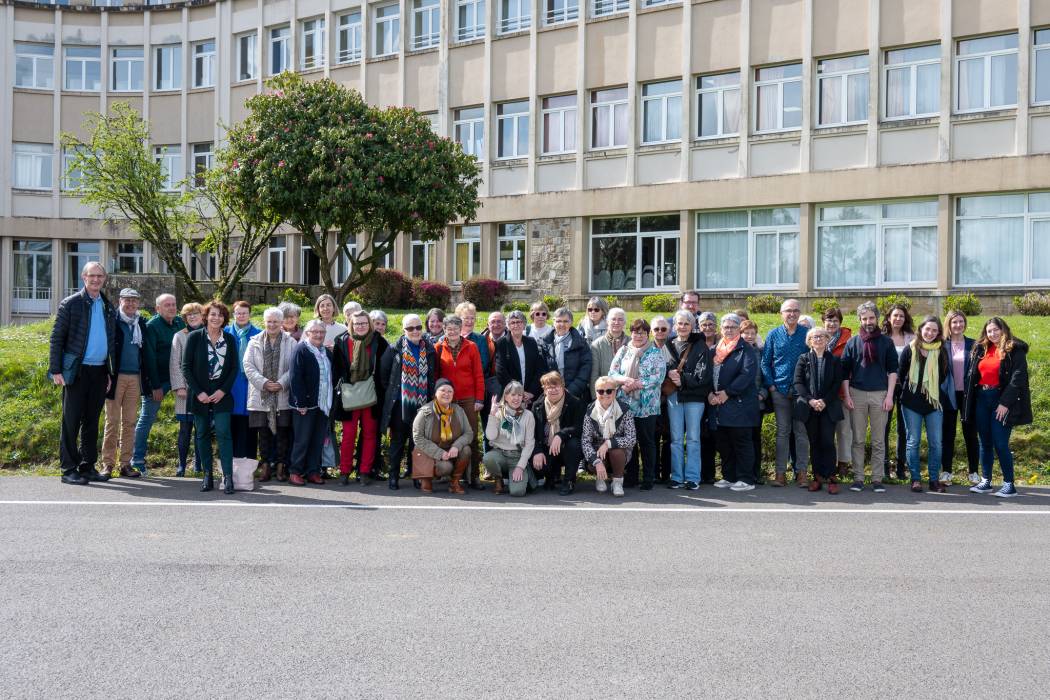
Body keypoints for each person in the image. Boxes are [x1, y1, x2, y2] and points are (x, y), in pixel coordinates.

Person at [49, 261, 116, 486]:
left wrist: (108, 372)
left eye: (100, 276)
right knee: (71, 421)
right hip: (76, 371)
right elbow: (57, 338)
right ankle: (69, 469)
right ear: (83, 277)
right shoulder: (71, 304)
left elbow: (110, 342)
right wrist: (56, 369)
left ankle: (87, 466)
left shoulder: (107, 305)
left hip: (99, 372)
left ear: (104, 279)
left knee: (91, 421)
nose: (96, 279)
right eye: (92, 276)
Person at [965, 317, 1031, 498]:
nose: (992, 334)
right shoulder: (981, 349)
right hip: (982, 399)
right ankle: (986, 481)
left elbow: (1018, 378)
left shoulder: (1014, 350)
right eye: (989, 331)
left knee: (1000, 443)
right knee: (984, 442)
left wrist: (1004, 403)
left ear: (1003, 330)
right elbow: (973, 376)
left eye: (995, 330)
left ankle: (1009, 484)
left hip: (1001, 400)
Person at [181, 301, 239, 494]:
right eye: (213, 314)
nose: (216, 318)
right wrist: (199, 392)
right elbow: (186, 367)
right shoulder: (195, 337)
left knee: (224, 433)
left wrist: (223, 390)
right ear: (206, 316)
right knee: (202, 433)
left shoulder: (230, 339)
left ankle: (228, 477)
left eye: (221, 315)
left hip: (222, 393)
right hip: (200, 393)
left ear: (225, 319)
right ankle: (207, 475)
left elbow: (233, 368)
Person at [842, 301, 899, 493]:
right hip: (857, 394)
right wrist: (847, 395)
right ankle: (858, 478)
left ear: (877, 318)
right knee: (857, 439)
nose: (868, 321)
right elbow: (845, 373)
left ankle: (876, 479)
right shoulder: (852, 342)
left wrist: (889, 396)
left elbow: (893, 371)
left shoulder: (886, 342)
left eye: (872, 318)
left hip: (880, 394)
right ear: (860, 319)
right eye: (865, 318)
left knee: (878, 440)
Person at [380, 314, 438, 490]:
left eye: (418, 327)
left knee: (417, 442)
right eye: (410, 328)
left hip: (422, 404)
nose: (415, 331)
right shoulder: (393, 349)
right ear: (403, 330)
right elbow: (384, 377)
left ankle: (415, 475)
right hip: (400, 405)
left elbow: (431, 377)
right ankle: (393, 477)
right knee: (398, 442)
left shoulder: (429, 350)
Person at [609, 318, 666, 489]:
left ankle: (648, 478)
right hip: (626, 406)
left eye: (642, 332)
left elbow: (659, 376)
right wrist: (625, 379)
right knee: (628, 442)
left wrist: (637, 383)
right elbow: (612, 372)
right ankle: (631, 476)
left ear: (647, 334)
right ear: (631, 333)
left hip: (647, 407)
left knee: (647, 442)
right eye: (635, 332)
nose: (638, 335)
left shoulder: (656, 353)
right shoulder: (623, 351)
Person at [332, 310, 387, 486]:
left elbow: (385, 368)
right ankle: (345, 471)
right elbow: (336, 370)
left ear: (369, 324)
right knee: (348, 435)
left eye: (364, 323)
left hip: (372, 395)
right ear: (351, 324)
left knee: (370, 434)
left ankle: (364, 471)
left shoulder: (379, 341)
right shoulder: (341, 341)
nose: (361, 326)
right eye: (357, 324)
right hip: (349, 395)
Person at [131, 293, 184, 474]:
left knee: (188, 419)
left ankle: (189, 464)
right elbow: (149, 358)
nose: (171, 307)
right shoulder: (152, 326)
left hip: (178, 378)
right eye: (167, 305)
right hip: (158, 381)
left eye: (174, 304)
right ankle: (137, 460)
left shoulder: (179, 323)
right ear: (158, 308)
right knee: (147, 418)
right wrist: (155, 386)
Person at [708, 314, 761, 491]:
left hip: (739, 403)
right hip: (718, 404)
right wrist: (710, 393)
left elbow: (747, 375)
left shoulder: (746, 349)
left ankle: (746, 479)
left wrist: (727, 393)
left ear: (739, 329)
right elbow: (707, 374)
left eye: (732, 327)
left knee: (741, 442)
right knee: (724, 443)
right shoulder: (714, 349)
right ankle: (729, 476)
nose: (728, 330)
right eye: (725, 327)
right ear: (721, 329)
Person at [243, 307, 296, 483]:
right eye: (269, 321)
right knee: (263, 435)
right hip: (260, 396)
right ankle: (265, 467)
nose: (272, 324)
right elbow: (248, 366)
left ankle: (281, 468)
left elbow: (294, 367)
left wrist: (281, 383)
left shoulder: (291, 342)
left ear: (282, 323)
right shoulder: (254, 341)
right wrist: (264, 383)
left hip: (282, 395)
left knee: (282, 434)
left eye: (276, 321)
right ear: (264, 322)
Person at [898, 315, 950, 493]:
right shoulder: (909, 349)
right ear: (920, 330)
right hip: (911, 402)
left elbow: (943, 375)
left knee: (936, 442)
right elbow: (901, 374)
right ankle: (915, 479)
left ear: (938, 333)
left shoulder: (941, 351)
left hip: (933, 402)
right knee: (913, 441)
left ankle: (934, 480)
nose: (930, 333)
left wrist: (929, 387)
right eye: (927, 329)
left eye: (935, 330)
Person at [762, 298, 810, 487]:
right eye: (788, 311)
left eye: (795, 311)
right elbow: (765, 362)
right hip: (779, 391)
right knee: (782, 433)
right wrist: (771, 386)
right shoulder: (773, 335)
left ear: (799, 313)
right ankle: (780, 473)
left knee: (801, 432)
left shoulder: (807, 334)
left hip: (801, 392)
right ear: (781, 313)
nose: (792, 314)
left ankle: (802, 473)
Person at [100, 288, 147, 479]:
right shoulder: (112, 321)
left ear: (138, 304)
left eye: (134, 301)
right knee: (112, 422)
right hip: (115, 376)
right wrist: (105, 374)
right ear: (120, 301)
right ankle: (107, 464)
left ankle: (125, 464)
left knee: (129, 423)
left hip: (134, 377)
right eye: (126, 300)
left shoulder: (141, 323)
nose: (130, 304)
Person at [434, 315, 486, 489]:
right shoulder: (438, 348)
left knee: (471, 436)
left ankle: (474, 476)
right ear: (444, 330)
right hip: (447, 400)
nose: (453, 331)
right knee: (447, 436)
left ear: (461, 329)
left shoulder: (471, 347)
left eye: (456, 328)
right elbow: (436, 375)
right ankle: (449, 474)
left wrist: (479, 398)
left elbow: (479, 375)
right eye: (449, 329)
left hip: (468, 398)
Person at [792, 327, 845, 494]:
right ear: (809, 341)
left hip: (828, 407)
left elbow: (837, 384)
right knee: (814, 443)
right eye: (815, 337)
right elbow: (798, 383)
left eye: (822, 336)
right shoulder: (803, 359)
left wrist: (824, 401)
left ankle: (831, 477)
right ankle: (817, 477)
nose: (819, 339)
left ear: (827, 339)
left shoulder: (835, 360)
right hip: (810, 407)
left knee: (828, 442)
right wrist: (811, 400)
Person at [664, 310, 712, 490]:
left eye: (686, 323)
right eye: (679, 323)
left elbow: (703, 375)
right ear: (674, 326)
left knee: (693, 438)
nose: (682, 327)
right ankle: (676, 477)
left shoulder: (700, 346)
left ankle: (693, 477)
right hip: (674, 396)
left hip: (694, 397)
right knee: (675, 439)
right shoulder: (668, 344)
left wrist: (681, 379)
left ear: (692, 326)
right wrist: (669, 374)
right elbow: (663, 367)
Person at [288, 319, 335, 486]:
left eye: (321, 332)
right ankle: (295, 471)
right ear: (307, 333)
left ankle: (313, 471)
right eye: (314, 331)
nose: (318, 335)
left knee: (317, 440)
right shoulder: (301, 350)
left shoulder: (326, 352)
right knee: (302, 439)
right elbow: (295, 378)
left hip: (322, 404)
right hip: (304, 405)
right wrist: (300, 403)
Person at [411, 378, 474, 494]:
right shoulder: (425, 412)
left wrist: (456, 446)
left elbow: (469, 433)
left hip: (451, 450)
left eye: (450, 391)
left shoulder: (459, 410)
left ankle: (454, 483)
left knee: (466, 449)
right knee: (445, 467)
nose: (447, 394)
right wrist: (439, 453)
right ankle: (426, 478)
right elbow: (417, 437)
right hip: (430, 453)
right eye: (443, 390)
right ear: (435, 393)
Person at [531, 371, 586, 496]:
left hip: (566, 447)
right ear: (544, 389)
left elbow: (579, 428)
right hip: (546, 446)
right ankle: (550, 477)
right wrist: (537, 451)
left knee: (574, 444)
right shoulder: (537, 406)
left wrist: (561, 435)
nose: (553, 390)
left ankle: (569, 481)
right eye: (549, 387)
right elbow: (532, 433)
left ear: (563, 386)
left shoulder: (575, 403)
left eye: (556, 386)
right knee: (537, 461)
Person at [581, 376, 637, 497]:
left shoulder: (625, 410)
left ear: (615, 392)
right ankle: (600, 478)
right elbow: (585, 441)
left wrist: (608, 444)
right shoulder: (590, 412)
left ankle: (617, 482)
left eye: (609, 391)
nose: (605, 394)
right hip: (597, 453)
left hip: (619, 453)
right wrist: (596, 461)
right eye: (601, 391)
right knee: (597, 453)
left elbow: (631, 439)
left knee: (615, 451)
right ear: (596, 393)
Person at [942, 310, 980, 485]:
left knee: (970, 435)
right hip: (948, 395)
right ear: (949, 325)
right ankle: (947, 472)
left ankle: (973, 472)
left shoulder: (974, 345)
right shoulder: (942, 345)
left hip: (968, 396)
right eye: (954, 322)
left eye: (961, 322)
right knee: (947, 434)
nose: (958, 325)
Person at [483, 382, 537, 496]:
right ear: (506, 396)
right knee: (488, 458)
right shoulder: (498, 412)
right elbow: (490, 436)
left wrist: (520, 467)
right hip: (500, 454)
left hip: (517, 457)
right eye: (513, 395)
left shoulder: (528, 415)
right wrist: (492, 415)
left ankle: (517, 476)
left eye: (519, 395)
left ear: (523, 397)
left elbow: (529, 443)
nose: (516, 398)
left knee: (517, 492)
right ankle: (499, 479)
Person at [170, 303, 204, 477]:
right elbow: (175, 364)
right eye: (188, 314)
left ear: (202, 315)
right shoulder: (179, 336)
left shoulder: (209, 333)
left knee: (201, 429)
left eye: (195, 313)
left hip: (205, 391)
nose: (192, 317)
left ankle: (199, 464)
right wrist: (179, 386)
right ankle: (181, 465)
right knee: (185, 429)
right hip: (185, 390)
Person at [882, 303, 915, 480]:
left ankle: (901, 466)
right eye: (895, 315)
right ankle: (885, 466)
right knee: (884, 427)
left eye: (901, 316)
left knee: (904, 428)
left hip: (906, 387)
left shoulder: (912, 337)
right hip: (885, 387)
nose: (898, 319)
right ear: (889, 318)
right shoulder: (881, 337)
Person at [226, 300, 261, 464]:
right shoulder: (225, 332)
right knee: (232, 421)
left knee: (250, 423)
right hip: (231, 384)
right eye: (238, 313)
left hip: (251, 384)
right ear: (233, 315)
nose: (241, 316)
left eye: (244, 313)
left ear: (250, 314)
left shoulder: (259, 333)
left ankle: (250, 462)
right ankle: (232, 461)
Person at [823, 307, 853, 479]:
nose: (832, 324)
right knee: (826, 432)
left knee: (843, 429)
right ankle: (826, 463)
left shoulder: (848, 340)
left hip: (842, 391)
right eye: (829, 320)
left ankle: (843, 463)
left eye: (835, 321)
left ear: (840, 323)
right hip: (823, 393)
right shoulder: (817, 337)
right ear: (823, 322)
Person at [495, 310, 544, 405]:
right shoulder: (502, 343)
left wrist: (531, 392)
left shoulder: (531, 342)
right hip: (511, 394)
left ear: (524, 324)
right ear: (508, 326)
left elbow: (539, 368)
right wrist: (519, 392)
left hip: (530, 395)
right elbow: (501, 371)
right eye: (512, 322)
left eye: (519, 322)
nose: (516, 325)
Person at [545, 308, 592, 403]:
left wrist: (571, 390)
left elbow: (586, 368)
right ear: (553, 322)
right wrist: (553, 390)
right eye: (558, 321)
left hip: (575, 395)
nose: (562, 324)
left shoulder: (581, 343)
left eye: (565, 321)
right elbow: (542, 370)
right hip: (552, 393)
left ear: (571, 323)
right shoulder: (545, 343)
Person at [739, 319, 766, 484]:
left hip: (757, 402)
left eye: (752, 333)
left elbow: (766, 376)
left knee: (755, 438)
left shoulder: (760, 353)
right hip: (738, 402)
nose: (749, 336)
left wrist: (762, 394)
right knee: (740, 438)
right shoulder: (735, 351)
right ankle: (741, 472)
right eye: (746, 333)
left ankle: (755, 473)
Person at [650, 316, 673, 483]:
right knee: (652, 438)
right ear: (651, 331)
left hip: (670, 398)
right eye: (656, 329)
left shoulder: (675, 348)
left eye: (663, 329)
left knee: (669, 438)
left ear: (669, 330)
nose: (659, 332)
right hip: (651, 399)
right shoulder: (645, 349)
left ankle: (666, 473)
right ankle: (652, 473)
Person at [589, 307, 627, 398]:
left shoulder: (631, 343)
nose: (616, 322)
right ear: (607, 322)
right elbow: (594, 375)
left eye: (620, 319)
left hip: (628, 395)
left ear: (625, 323)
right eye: (613, 319)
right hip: (605, 394)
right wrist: (596, 398)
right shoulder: (597, 345)